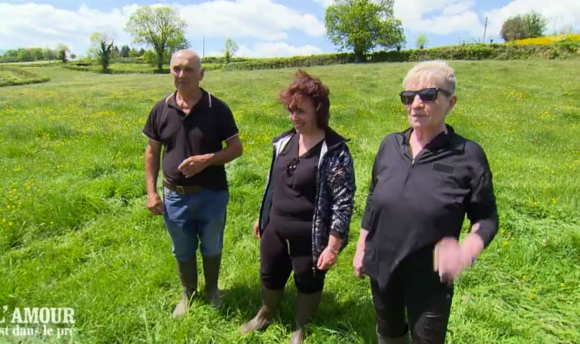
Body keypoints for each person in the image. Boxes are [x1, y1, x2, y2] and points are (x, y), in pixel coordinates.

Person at [353, 60, 499, 344]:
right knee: (389, 332)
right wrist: (362, 248)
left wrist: (466, 250)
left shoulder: (468, 156)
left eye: (428, 95)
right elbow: (373, 200)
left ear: (451, 102)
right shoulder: (389, 146)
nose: (416, 104)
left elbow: (487, 217)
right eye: (408, 97)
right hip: (382, 264)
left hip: (429, 278)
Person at [240, 69, 356, 344]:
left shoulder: (335, 150)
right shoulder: (283, 142)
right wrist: (263, 215)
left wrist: (333, 246)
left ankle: (301, 328)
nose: (294, 117)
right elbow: (273, 182)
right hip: (275, 226)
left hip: (310, 234)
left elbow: (343, 202)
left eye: (300, 111)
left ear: (318, 109)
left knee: (309, 279)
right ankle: (266, 313)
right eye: (291, 111)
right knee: (269, 272)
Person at [142, 49, 243, 319]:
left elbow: (236, 148)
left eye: (188, 69)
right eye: (176, 69)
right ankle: (188, 293)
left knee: (212, 245)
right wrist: (152, 192)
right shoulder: (160, 109)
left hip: (211, 194)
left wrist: (208, 160)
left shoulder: (217, 108)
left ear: (201, 74)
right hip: (174, 196)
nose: (181, 74)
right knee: (182, 248)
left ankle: (212, 291)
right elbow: (152, 151)